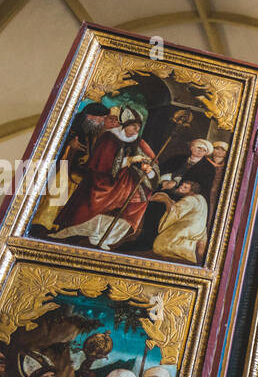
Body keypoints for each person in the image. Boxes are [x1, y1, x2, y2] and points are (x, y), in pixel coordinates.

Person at [48, 106, 159, 250]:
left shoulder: (139, 142)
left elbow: (152, 162)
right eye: (133, 126)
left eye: (138, 127)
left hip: (127, 182)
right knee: (95, 200)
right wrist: (130, 160)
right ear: (125, 125)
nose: (136, 130)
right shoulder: (109, 138)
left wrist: (148, 170)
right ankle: (70, 230)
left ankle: (104, 236)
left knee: (138, 202)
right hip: (104, 180)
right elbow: (103, 165)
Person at [150, 179, 209, 263]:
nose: (181, 188)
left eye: (185, 188)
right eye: (182, 185)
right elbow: (182, 208)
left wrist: (165, 200)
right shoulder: (200, 198)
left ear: (192, 191)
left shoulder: (189, 199)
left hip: (188, 229)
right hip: (199, 231)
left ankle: (193, 247)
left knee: (159, 244)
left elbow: (175, 212)